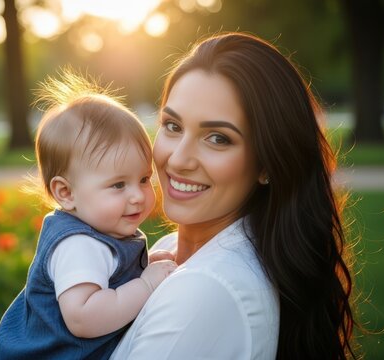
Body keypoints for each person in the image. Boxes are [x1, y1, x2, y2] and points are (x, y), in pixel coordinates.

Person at [111, 32, 357, 359]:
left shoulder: (205, 290)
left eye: (217, 138)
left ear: (267, 163)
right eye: (172, 126)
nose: (178, 159)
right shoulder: (171, 252)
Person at [0, 71, 177, 359]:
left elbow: (109, 277)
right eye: (118, 184)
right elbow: (83, 317)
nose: (138, 195)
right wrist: (146, 284)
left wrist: (140, 268)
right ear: (66, 193)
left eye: (143, 178)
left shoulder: (100, 232)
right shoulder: (77, 245)